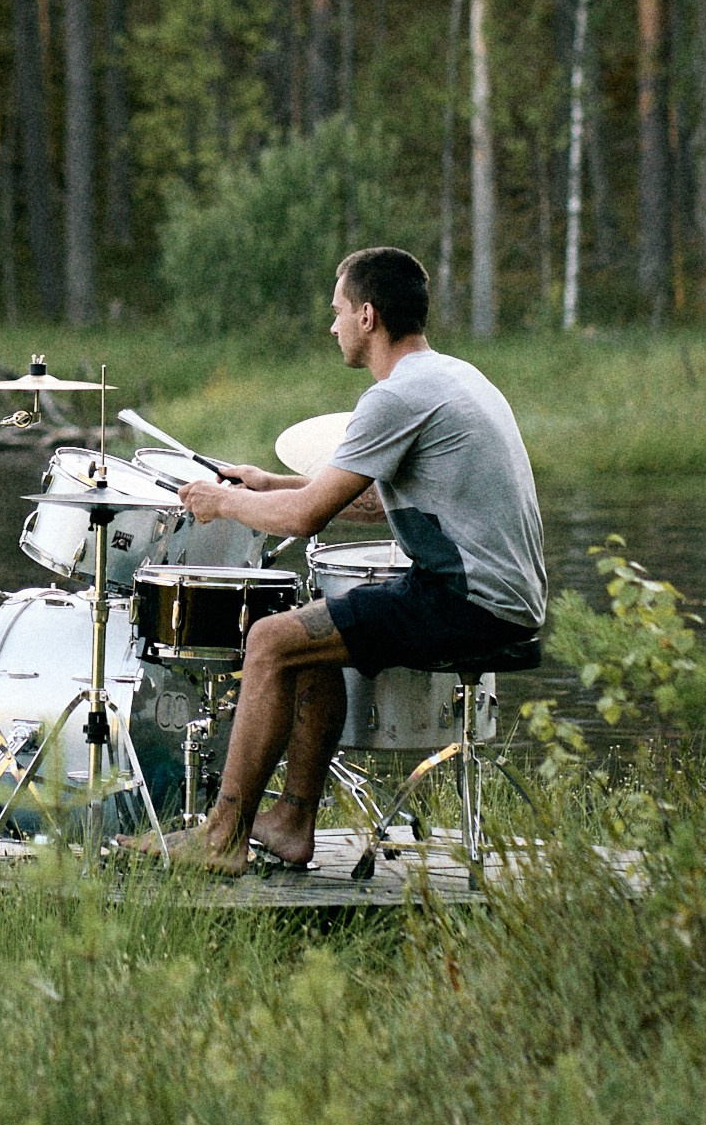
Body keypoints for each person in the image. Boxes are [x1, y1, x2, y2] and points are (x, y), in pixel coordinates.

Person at [170, 243, 546, 872]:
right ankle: (290, 822)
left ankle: (222, 838)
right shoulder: (451, 376)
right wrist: (266, 483)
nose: (333, 325)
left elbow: (306, 519)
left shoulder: (396, 396)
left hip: (471, 604)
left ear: (368, 316)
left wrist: (221, 504)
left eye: (338, 310)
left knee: (266, 640)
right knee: (302, 644)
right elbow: (369, 502)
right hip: (497, 597)